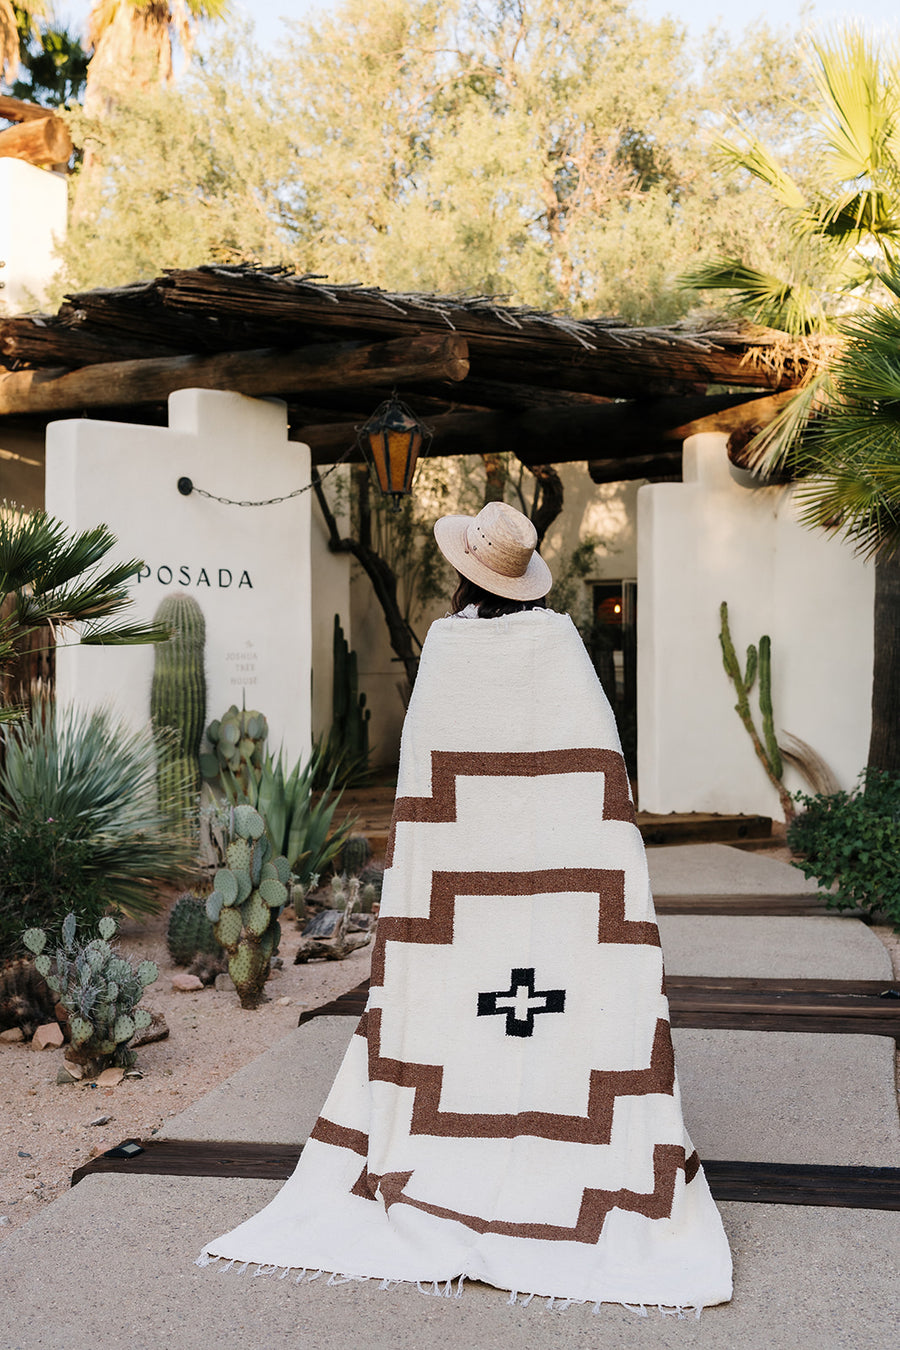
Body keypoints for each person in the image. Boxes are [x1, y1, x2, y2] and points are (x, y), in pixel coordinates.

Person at [199, 501, 733, 1312]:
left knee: (448, 1016)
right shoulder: (562, 644)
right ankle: (570, 1160)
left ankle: (443, 1156)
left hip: (459, 914)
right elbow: (600, 778)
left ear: (463, 571)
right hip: (566, 901)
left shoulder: (446, 648)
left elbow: (427, 799)